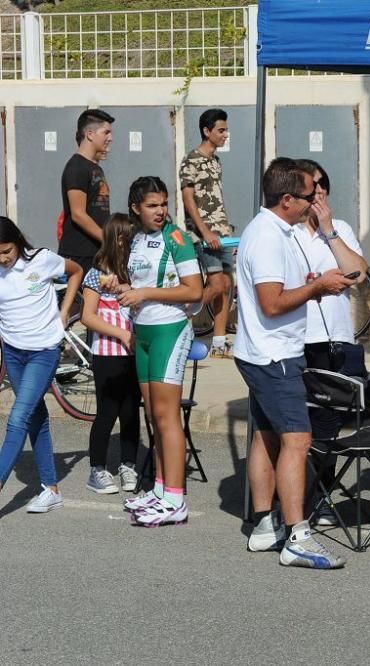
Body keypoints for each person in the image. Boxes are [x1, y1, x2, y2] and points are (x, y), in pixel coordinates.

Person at [237, 158, 355, 569]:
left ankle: (266, 526)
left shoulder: (274, 231)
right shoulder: (267, 237)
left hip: (266, 351)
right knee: (297, 440)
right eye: (308, 195)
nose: (314, 202)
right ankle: (297, 536)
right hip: (274, 354)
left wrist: (308, 287)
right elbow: (271, 305)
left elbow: (276, 293)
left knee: (267, 436)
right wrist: (317, 286)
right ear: (287, 199)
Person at [116, 177, 202, 527]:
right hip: (144, 332)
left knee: (167, 416)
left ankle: (176, 500)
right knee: (152, 414)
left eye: (164, 204)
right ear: (136, 208)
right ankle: (162, 490)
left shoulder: (176, 237)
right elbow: (140, 287)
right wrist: (125, 289)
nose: (161, 211)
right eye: (153, 205)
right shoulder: (135, 239)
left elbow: (194, 291)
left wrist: (145, 294)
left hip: (170, 330)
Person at [292, 159, 369, 527]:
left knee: (326, 425)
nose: (319, 192)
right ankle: (290, 497)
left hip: (331, 339)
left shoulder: (340, 229)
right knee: (294, 423)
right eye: (312, 186)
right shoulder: (285, 231)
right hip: (292, 339)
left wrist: (329, 232)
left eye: (323, 185)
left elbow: (357, 273)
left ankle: (319, 495)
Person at [0, 216, 83, 512]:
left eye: (7, 250)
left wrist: (64, 313)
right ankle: (51, 489)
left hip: (43, 351)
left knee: (18, 417)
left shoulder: (42, 259)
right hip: (12, 352)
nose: (3, 258)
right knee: (35, 417)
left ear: (18, 242)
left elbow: (76, 272)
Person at [79, 214, 141, 494]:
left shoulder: (134, 273)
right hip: (107, 353)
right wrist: (122, 335)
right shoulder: (97, 274)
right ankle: (98, 469)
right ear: (118, 240)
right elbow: (87, 317)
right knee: (108, 412)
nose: (133, 246)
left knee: (130, 412)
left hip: (134, 354)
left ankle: (129, 464)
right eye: (130, 240)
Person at [180, 108, 234, 358]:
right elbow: (188, 199)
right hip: (204, 235)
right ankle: (182, 311)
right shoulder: (191, 160)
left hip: (222, 233)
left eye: (225, 129)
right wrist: (204, 232)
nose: (225, 134)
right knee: (217, 283)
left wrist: (225, 230)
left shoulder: (216, 161)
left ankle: (219, 342)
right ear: (206, 131)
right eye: (221, 130)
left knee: (226, 284)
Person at [59, 109, 114, 275]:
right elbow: (78, 214)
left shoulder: (94, 167)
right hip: (78, 254)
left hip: (95, 252)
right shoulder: (77, 167)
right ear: (90, 134)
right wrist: (108, 240)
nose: (110, 138)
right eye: (106, 132)